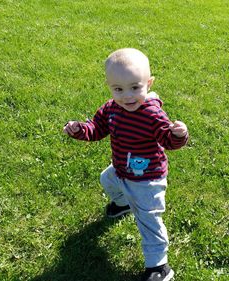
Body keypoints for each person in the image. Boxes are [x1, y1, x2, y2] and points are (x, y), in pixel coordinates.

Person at [63, 48, 188, 281]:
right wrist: (80, 130)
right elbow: (96, 129)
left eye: (135, 87)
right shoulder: (111, 108)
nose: (127, 96)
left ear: (148, 83)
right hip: (121, 170)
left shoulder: (152, 114)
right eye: (118, 89)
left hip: (147, 180)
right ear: (109, 86)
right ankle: (122, 204)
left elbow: (168, 141)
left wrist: (179, 134)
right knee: (106, 179)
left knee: (148, 220)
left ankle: (159, 267)